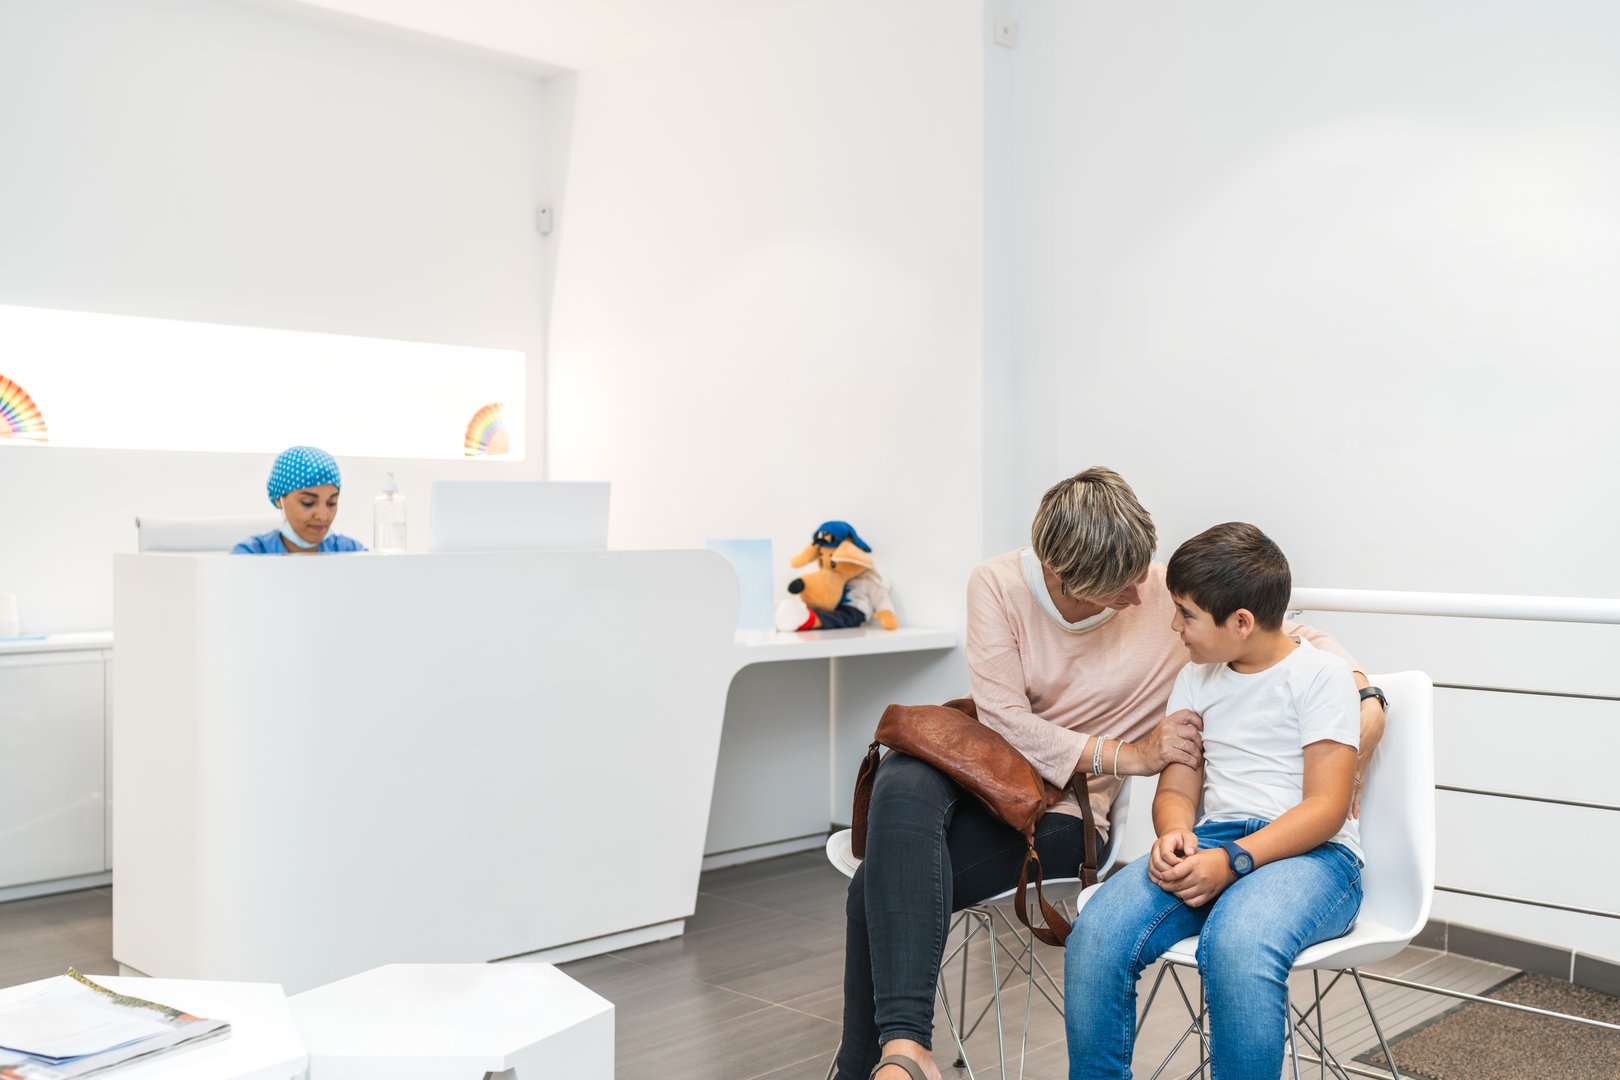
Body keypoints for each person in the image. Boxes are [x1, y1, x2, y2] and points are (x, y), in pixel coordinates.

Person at [838, 469, 1385, 1080]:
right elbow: (1009, 723)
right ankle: (905, 1053)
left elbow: (1276, 632)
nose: (1145, 601)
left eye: (1152, 585)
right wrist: (1143, 776)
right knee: (907, 776)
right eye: (1122, 588)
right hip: (1003, 782)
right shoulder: (1003, 587)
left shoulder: (1182, 605)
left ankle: (881, 1063)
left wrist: (1367, 695)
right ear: (1064, 577)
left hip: (1089, 816)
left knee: (877, 884)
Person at [1065, 522, 1364, 1080]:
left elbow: (1326, 808)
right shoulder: (1194, 680)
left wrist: (1234, 861)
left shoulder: (1322, 676)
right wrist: (1175, 833)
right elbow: (1177, 788)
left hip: (1315, 856)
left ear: (1241, 623)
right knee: (1098, 933)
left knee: (1238, 944)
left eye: (1186, 614)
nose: (1174, 626)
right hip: (1214, 846)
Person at [231, 445, 367, 555]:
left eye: (331, 503)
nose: (322, 516)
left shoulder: (352, 552)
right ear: (279, 499)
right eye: (308, 502)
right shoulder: (250, 554)